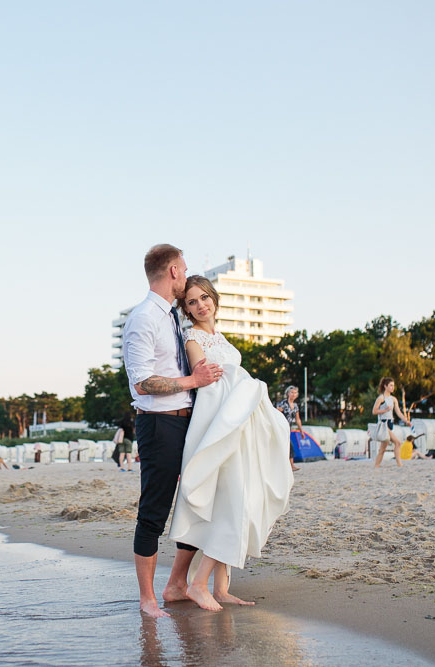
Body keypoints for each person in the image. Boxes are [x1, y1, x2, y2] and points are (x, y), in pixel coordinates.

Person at [169, 275, 294, 612]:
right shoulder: (193, 338)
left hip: (237, 427)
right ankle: (198, 584)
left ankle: (221, 588)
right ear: (186, 308)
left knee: (234, 498)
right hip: (217, 425)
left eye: (204, 298)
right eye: (192, 302)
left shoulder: (221, 337)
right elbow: (204, 373)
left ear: (214, 299)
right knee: (230, 501)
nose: (200, 305)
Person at [122, 244, 223, 618]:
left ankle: (177, 584)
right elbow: (143, 382)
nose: (187, 274)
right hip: (159, 423)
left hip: (188, 420)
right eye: (185, 268)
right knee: (154, 510)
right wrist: (192, 380)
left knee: (198, 499)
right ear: (175, 271)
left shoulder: (171, 317)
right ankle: (147, 599)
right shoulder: (144, 317)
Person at [372, 377, 412, 468]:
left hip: (390, 424)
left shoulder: (393, 399)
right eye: (391, 385)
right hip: (383, 424)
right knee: (397, 443)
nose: (392, 387)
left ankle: (377, 465)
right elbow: (374, 411)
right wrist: (385, 410)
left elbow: (398, 412)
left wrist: (406, 421)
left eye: (393, 386)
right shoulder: (381, 398)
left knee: (383, 448)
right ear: (385, 386)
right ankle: (399, 464)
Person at [276, 386, 303, 472]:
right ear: (288, 393)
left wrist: (301, 431)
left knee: (287, 446)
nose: (293, 394)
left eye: (295, 393)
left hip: (288, 429)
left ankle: (288, 465)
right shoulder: (283, 404)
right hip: (281, 428)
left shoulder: (295, 406)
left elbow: (297, 419)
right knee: (289, 445)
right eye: (292, 392)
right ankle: (291, 465)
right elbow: (276, 414)